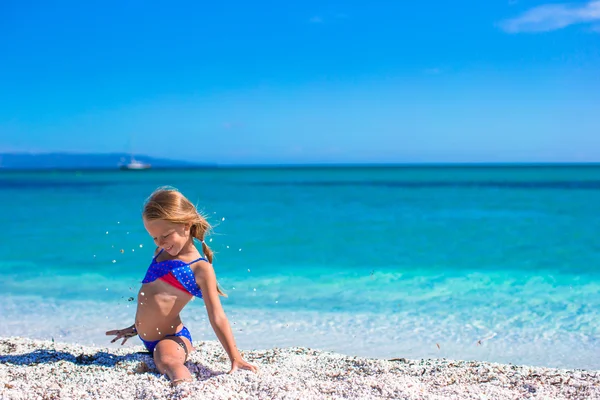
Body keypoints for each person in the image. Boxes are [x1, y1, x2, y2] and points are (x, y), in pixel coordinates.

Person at [106, 187, 258, 385]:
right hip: (148, 338)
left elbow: (217, 316)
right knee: (161, 356)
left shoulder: (199, 268)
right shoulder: (161, 253)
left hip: (172, 339)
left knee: (167, 361)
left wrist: (235, 357)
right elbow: (158, 301)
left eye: (166, 236)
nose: (160, 243)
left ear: (186, 225)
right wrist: (137, 328)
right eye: (154, 238)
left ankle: (185, 389)